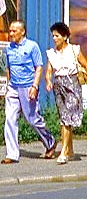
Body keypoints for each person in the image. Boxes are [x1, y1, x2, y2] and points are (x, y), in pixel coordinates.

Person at [3, 20, 56, 163]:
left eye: (14, 31)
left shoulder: (32, 46)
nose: (11, 33)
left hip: (28, 87)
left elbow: (39, 67)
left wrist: (35, 86)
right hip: (13, 87)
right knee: (10, 119)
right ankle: (12, 154)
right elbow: (8, 68)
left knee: (32, 119)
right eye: (10, 30)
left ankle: (50, 142)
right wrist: (8, 86)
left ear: (22, 32)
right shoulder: (9, 48)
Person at [45, 21, 87, 164]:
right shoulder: (52, 53)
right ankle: (70, 150)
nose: (54, 38)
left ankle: (64, 152)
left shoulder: (74, 49)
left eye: (57, 36)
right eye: (53, 36)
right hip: (59, 85)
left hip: (72, 84)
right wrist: (48, 81)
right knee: (64, 118)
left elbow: (86, 65)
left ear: (65, 37)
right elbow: (49, 71)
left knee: (67, 119)